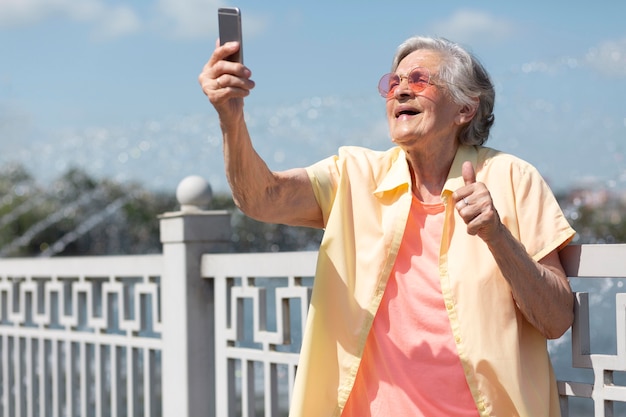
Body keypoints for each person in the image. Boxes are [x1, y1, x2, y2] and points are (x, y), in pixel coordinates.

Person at [199, 35, 575, 417]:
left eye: (419, 80)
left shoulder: (513, 178)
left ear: (465, 108)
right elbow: (262, 198)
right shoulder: (355, 173)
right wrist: (231, 119)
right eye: (393, 83)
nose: (401, 92)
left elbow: (556, 319)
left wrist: (496, 235)